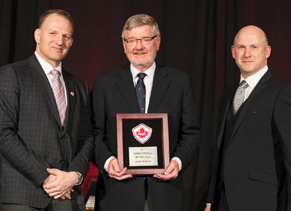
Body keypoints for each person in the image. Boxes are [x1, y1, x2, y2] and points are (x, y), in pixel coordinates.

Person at [90, 14, 200, 211]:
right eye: (131, 40)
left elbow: (191, 133)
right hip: (117, 193)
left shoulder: (179, 82)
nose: (138, 46)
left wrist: (177, 161)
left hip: (165, 194)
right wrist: (108, 162)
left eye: (145, 40)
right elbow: (94, 133)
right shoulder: (104, 84)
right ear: (124, 44)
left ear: (157, 42)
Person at [0, 9, 93, 211]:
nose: (60, 41)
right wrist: (47, 177)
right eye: (53, 33)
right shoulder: (12, 74)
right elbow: (2, 133)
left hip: (66, 196)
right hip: (23, 193)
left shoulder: (78, 86)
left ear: (71, 42)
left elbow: (86, 137)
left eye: (66, 36)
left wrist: (74, 176)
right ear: (38, 35)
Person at [205, 25, 291, 211]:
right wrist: (211, 200)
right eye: (241, 47)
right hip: (224, 203)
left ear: (267, 51)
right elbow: (220, 152)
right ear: (233, 52)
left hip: (263, 201)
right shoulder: (228, 95)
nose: (247, 53)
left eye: (254, 47)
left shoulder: (282, 93)